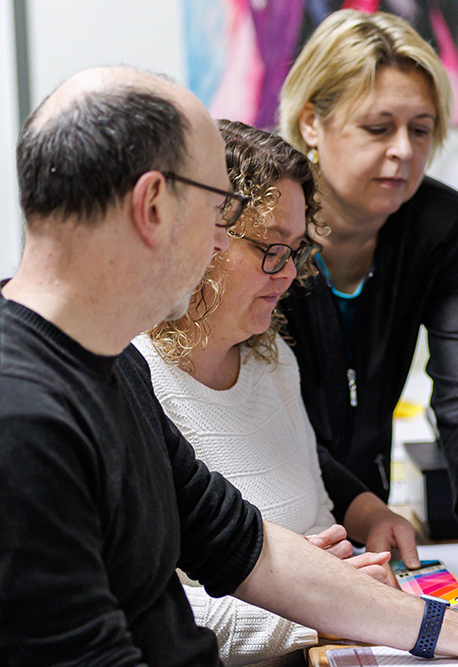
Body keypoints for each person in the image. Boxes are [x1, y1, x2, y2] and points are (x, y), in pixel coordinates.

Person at [0, 65, 458, 667]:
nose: (217, 241)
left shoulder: (100, 365)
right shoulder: (12, 420)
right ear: (152, 207)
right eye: (217, 206)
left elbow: (249, 549)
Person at [277, 9, 458, 587]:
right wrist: (360, 505)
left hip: (373, 528)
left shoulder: (444, 229)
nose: (403, 150)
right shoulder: (261, 235)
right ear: (312, 122)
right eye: (378, 127)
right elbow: (259, 417)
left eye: (420, 130)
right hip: (273, 519)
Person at [132, 120, 400, 665]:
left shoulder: (272, 358)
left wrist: (353, 579)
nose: (285, 276)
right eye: (271, 248)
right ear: (201, 238)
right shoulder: (135, 381)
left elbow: (322, 521)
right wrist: (326, 609)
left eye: (296, 251)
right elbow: (157, 617)